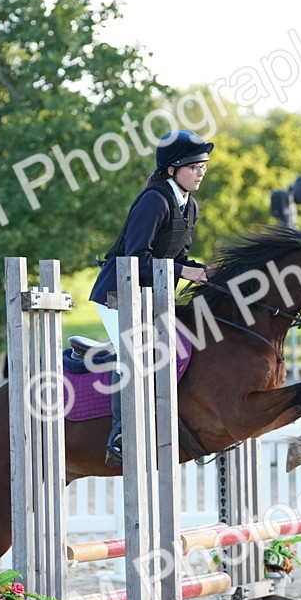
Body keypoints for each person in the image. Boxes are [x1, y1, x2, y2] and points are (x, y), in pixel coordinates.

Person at [89, 130, 213, 465]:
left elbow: (178, 257)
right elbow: (136, 257)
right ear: (172, 169)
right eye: (194, 166)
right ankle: (120, 435)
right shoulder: (155, 200)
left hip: (148, 295)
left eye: (203, 166)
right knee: (134, 355)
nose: (201, 172)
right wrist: (184, 272)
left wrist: (203, 271)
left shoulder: (189, 205)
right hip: (117, 292)